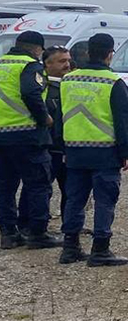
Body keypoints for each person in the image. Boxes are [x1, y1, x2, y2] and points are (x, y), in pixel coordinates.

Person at [58, 33, 128, 267]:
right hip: (105, 152)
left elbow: (63, 114)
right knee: (104, 201)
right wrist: (126, 152)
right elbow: (123, 121)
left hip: (74, 151)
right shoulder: (114, 82)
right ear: (110, 54)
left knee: (74, 200)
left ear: (88, 52)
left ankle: (70, 248)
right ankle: (100, 249)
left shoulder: (67, 80)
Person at [0, 31, 59, 249]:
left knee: (5, 186)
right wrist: (44, 117)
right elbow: (30, 92)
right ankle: (37, 234)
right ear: (37, 49)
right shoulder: (30, 66)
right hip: (27, 135)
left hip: (2, 135)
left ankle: (8, 233)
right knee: (38, 185)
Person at [41, 46, 70, 222]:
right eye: (62, 61)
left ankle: (70, 225)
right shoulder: (42, 86)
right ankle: (34, 225)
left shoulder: (71, 84)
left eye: (68, 60)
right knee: (41, 189)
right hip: (47, 147)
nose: (67, 64)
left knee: (71, 191)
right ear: (47, 64)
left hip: (67, 148)